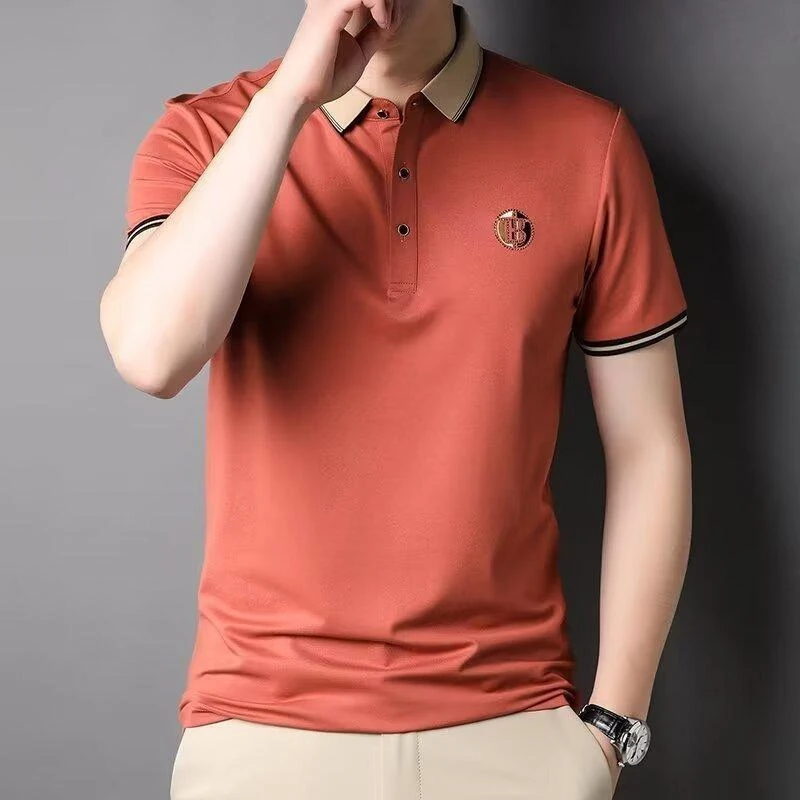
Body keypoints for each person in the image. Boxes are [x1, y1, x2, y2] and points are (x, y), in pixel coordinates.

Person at [100, 1, 692, 798]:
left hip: (514, 735)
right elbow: (152, 354)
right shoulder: (206, 132)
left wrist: (613, 726)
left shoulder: (589, 141)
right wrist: (293, 97)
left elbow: (649, 447)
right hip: (260, 735)